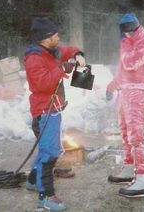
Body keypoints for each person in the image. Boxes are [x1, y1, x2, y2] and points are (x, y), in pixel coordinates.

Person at [24, 17, 86, 211]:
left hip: (54, 108)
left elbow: (67, 50)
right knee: (50, 152)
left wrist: (78, 54)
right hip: (44, 111)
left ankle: (33, 180)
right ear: (45, 38)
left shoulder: (52, 51)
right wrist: (61, 69)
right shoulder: (34, 58)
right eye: (55, 35)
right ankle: (45, 196)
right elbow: (40, 84)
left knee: (45, 149)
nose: (59, 37)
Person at [106, 12, 144, 197]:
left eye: (126, 32)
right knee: (125, 132)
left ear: (131, 29)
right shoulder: (130, 41)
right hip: (125, 91)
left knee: (136, 136)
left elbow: (129, 63)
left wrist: (126, 43)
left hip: (138, 92)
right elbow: (122, 71)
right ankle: (129, 167)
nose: (125, 35)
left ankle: (142, 179)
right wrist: (112, 86)